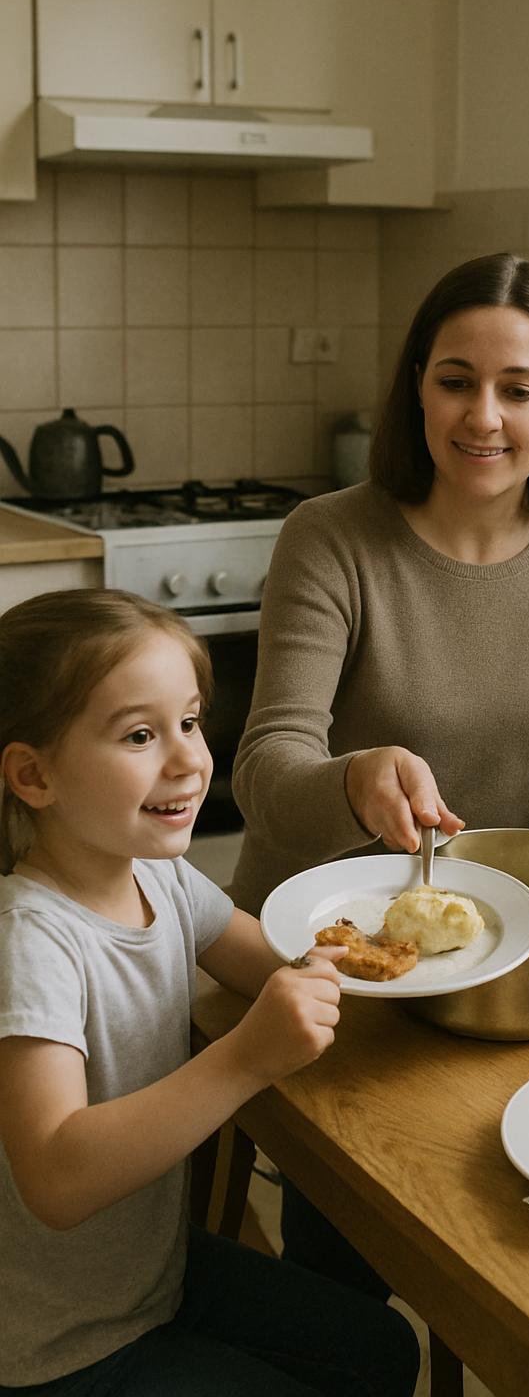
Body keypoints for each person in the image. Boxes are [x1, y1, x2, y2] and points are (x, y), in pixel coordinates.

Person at [229, 250, 529, 1286]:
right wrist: (353, 777)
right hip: (331, 969)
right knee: (353, 1269)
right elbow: (264, 771)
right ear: (417, 387)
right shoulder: (331, 537)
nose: (482, 417)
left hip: (502, 960)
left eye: (518, 390)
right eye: (456, 381)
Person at [0, 589, 420, 1397]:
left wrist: (392, 964)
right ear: (33, 774)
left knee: (382, 1349)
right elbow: (54, 1178)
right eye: (140, 735)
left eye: (190, 722)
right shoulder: (31, 941)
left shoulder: (157, 876)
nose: (191, 759)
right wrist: (244, 1059)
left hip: (146, 1273)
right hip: (59, 1346)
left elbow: (275, 964)